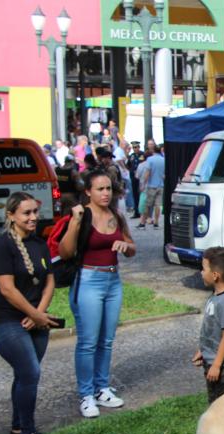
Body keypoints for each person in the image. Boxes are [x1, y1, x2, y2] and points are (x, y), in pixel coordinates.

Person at [59, 170, 137, 418]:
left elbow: (132, 247)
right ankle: (86, 394)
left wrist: (126, 247)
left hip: (113, 280)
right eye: (100, 189)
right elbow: (65, 252)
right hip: (89, 279)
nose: (105, 193)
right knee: (88, 342)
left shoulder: (116, 215)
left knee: (107, 340)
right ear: (88, 192)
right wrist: (74, 222)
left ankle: (102, 388)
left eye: (108, 189)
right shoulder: (82, 216)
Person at [0, 192, 58, 434]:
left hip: (37, 319)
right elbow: (7, 289)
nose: (33, 217)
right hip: (7, 321)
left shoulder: (39, 244)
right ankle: (28, 433)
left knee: (25, 375)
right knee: (30, 371)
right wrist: (34, 314)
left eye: (35, 212)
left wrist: (39, 313)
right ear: (11, 215)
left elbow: (49, 281)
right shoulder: (1, 246)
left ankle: (17, 429)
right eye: (26, 213)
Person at [191, 246, 224, 405]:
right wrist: (204, 350)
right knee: (215, 402)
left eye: (204, 268)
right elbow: (212, 330)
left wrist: (216, 365)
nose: (201, 272)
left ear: (215, 275)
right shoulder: (215, 296)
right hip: (213, 359)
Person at [138, 144, 165, 229]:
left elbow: (147, 173)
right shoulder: (163, 160)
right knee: (158, 205)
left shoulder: (150, 159)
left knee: (148, 205)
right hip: (160, 185)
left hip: (151, 185)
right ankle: (156, 223)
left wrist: (143, 184)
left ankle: (143, 223)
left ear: (153, 151)